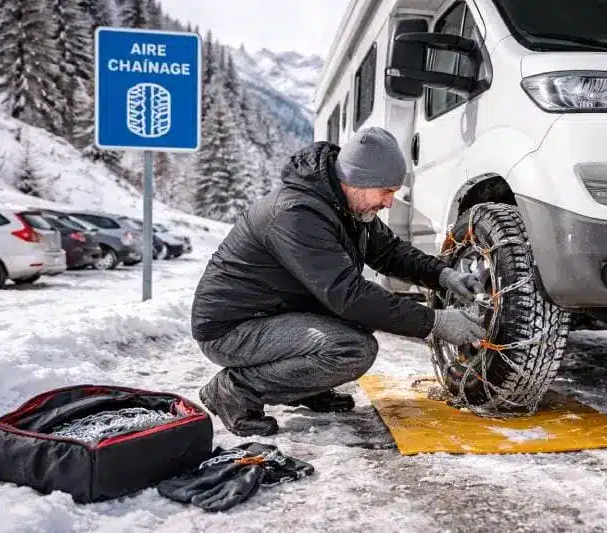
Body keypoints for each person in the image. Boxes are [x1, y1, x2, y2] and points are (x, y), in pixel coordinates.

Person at [190, 126, 485, 437]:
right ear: (357, 181)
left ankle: (303, 387)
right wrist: (435, 322)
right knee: (352, 349)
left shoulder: (345, 205)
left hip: (275, 312)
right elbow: (348, 295)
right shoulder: (296, 214)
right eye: (385, 191)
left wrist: (443, 275)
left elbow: (390, 252)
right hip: (233, 328)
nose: (389, 203)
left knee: (361, 321)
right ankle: (234, 390)